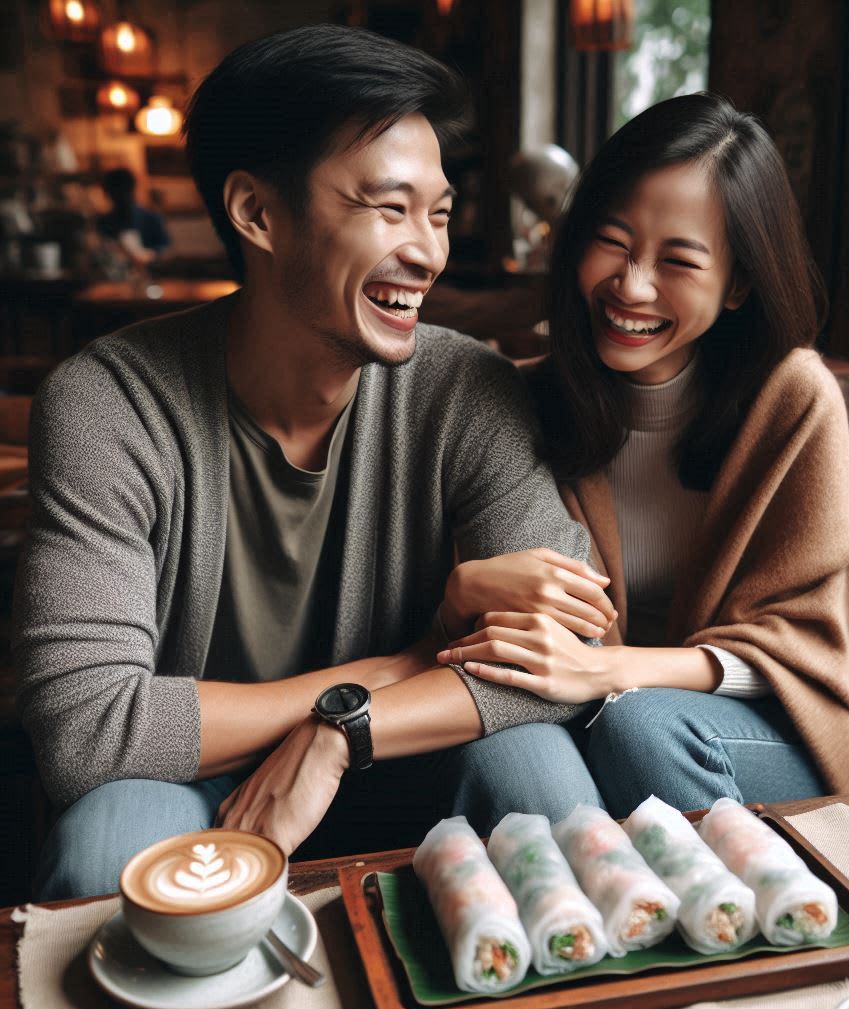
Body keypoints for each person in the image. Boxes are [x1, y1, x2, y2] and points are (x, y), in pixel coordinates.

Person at [14, 25, 614, 901]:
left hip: (401, 754)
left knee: (537, 767)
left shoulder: (466, 387)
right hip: (187, 781)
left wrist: (347, 732)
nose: (428, 251)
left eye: (438, 211)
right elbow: (90, 729)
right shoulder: (109, 404)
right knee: (109, 841)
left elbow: (570, 657)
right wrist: (416, 654)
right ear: (257, 213)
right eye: (388, 207)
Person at [439, 93, 849, 814]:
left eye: (678, 259)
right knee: (505, 747)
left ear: (740, 281)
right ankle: (595, 918)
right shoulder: (520, 401)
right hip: (584, 708)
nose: (632, 285)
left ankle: (745, 914)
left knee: (642, 726)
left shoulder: (792, 399)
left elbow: (808, 651)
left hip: (770, 728)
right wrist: (462, 592)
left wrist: (613, 669)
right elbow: (492, 637)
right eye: (614, 241)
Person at [96, 167, 172, 265]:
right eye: (114, 193)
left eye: (122, 192)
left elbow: (167, 249)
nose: (119, 197)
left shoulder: (151, 217)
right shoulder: (103, 221)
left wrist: (151, 254)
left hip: (152, 272)